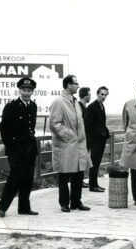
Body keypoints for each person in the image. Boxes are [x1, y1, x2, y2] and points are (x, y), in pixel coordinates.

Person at [49, 75, 92, 212]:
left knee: (78, 174)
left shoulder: (75, 103)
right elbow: (55, 124)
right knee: (64, 175)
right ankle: (64, 203)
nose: (78, 86)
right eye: (75, 83)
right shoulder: (59, 102)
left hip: (78, 145)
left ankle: (76, 201)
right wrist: (69, 136)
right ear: (68, 85)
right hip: (66, 145)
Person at [0, 77, 39, 217]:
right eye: (24, 90)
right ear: (19, 90)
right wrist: (11, 146)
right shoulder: (11, 106)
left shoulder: (33, 106)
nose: (26, 93)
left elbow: (30, 128)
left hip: (30, 149)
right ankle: (2, 207)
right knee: (15, 178)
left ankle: (24, 208)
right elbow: (4, 128)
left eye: (29, 90)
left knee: (28, 179)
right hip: (16, 150)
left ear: (32, 91)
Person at [84, 86, 110, 192]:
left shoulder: (101, 106)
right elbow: (87, 125)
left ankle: (95, 184)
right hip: (94, 140)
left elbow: (101, 123)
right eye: (102, 94)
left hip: (100, 139)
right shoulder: (92, 106)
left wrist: (106, 133)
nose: (103, 97)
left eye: (105, 95)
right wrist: (98, 134)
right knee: (94, 162)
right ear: (97, 94)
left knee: (97, 162)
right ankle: (92, 186)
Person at [78, 87, 91, 188]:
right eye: (89, 94)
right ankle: (79, 180)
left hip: (85, 137)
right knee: (80, 159)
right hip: (81, 138)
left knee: (83, 159)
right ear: (85, 95)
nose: (90, 96)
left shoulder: (84, 107)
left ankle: (80, 180)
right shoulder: (79, 107)